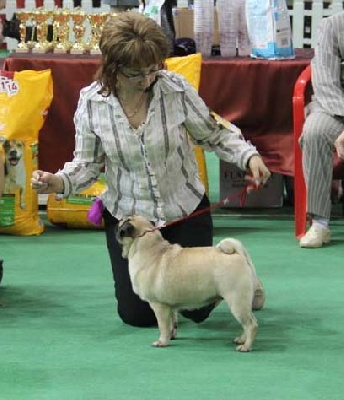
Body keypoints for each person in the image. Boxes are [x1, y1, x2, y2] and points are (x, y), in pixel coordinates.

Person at [31, 11, 270, 327]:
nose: (147, 79)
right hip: (132, 221)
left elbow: (214, 133)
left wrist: (248, 157)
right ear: (113, 68)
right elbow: (86, 166)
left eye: (153, 69)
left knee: (196, 310)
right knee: (137, 315)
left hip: (184, 208)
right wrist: (57, 183)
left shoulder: (175, 89)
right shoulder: (91, 104)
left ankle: (246, 280)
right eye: (136, 73)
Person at [299, 12, 344, 249]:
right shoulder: (331, 26)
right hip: (334, 106)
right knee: (315, 132)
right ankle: (320, 223)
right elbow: (326, 82)